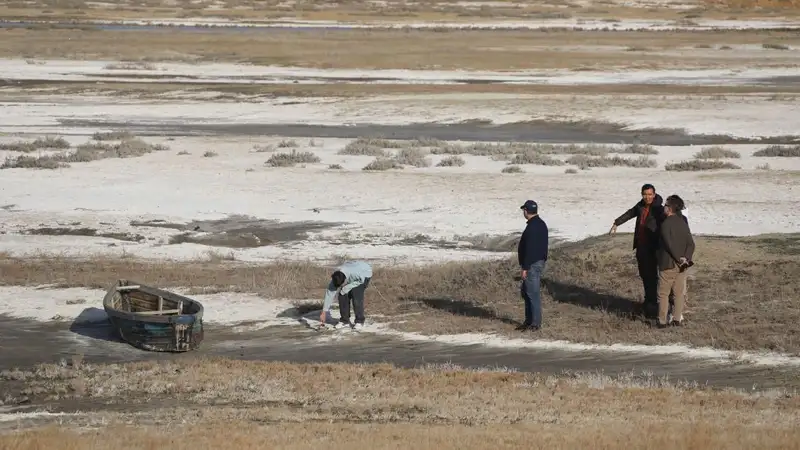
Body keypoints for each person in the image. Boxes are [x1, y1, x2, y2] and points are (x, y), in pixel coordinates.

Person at [609, 183, 664, 319]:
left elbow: (667, 225)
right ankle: (648, 300)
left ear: (654, 194)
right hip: (641, 246)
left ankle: (653, 305)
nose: (647, 197)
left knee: (652, 276)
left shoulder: (659, 209)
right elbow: (630, 213)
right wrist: (617, 222)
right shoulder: (640, 206)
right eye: (645, 194)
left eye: (650, 194)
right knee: (644, 274)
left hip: (653, 248)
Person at [656, 194, 695, 328]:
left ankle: (662, 321)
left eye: (666, 205)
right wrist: (686, 259)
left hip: (669, 264)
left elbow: (669, 245)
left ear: (670, 208)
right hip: (683, 266)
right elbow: (691, 243)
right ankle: (677, 319)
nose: (664, 208)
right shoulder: (682, 222)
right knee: (679, 293)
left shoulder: (666, 224)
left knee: (663, 294)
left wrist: (679, 259)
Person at [516, 200, 548, 332]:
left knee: (531, 293)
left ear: (526, 211)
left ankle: (534, 323)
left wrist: (525, 267)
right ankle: (529, 321)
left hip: (532, 264)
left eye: (524, 210)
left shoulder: (533, 226)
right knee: (527, 292)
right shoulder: (540, 224)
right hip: (536, 262)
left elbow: (530, 249)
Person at [319, 260, 373, 330]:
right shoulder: (336, 278)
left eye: (341, 285)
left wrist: (346, 287)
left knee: (356, 294)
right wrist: (324, 312)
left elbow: (361, 280)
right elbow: (329, 294)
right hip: (354, 269)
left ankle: (359, 321)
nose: (339, 287)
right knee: (342, 294)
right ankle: (345, 321)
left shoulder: (355, 274)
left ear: (345, 280)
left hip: (364, 273)